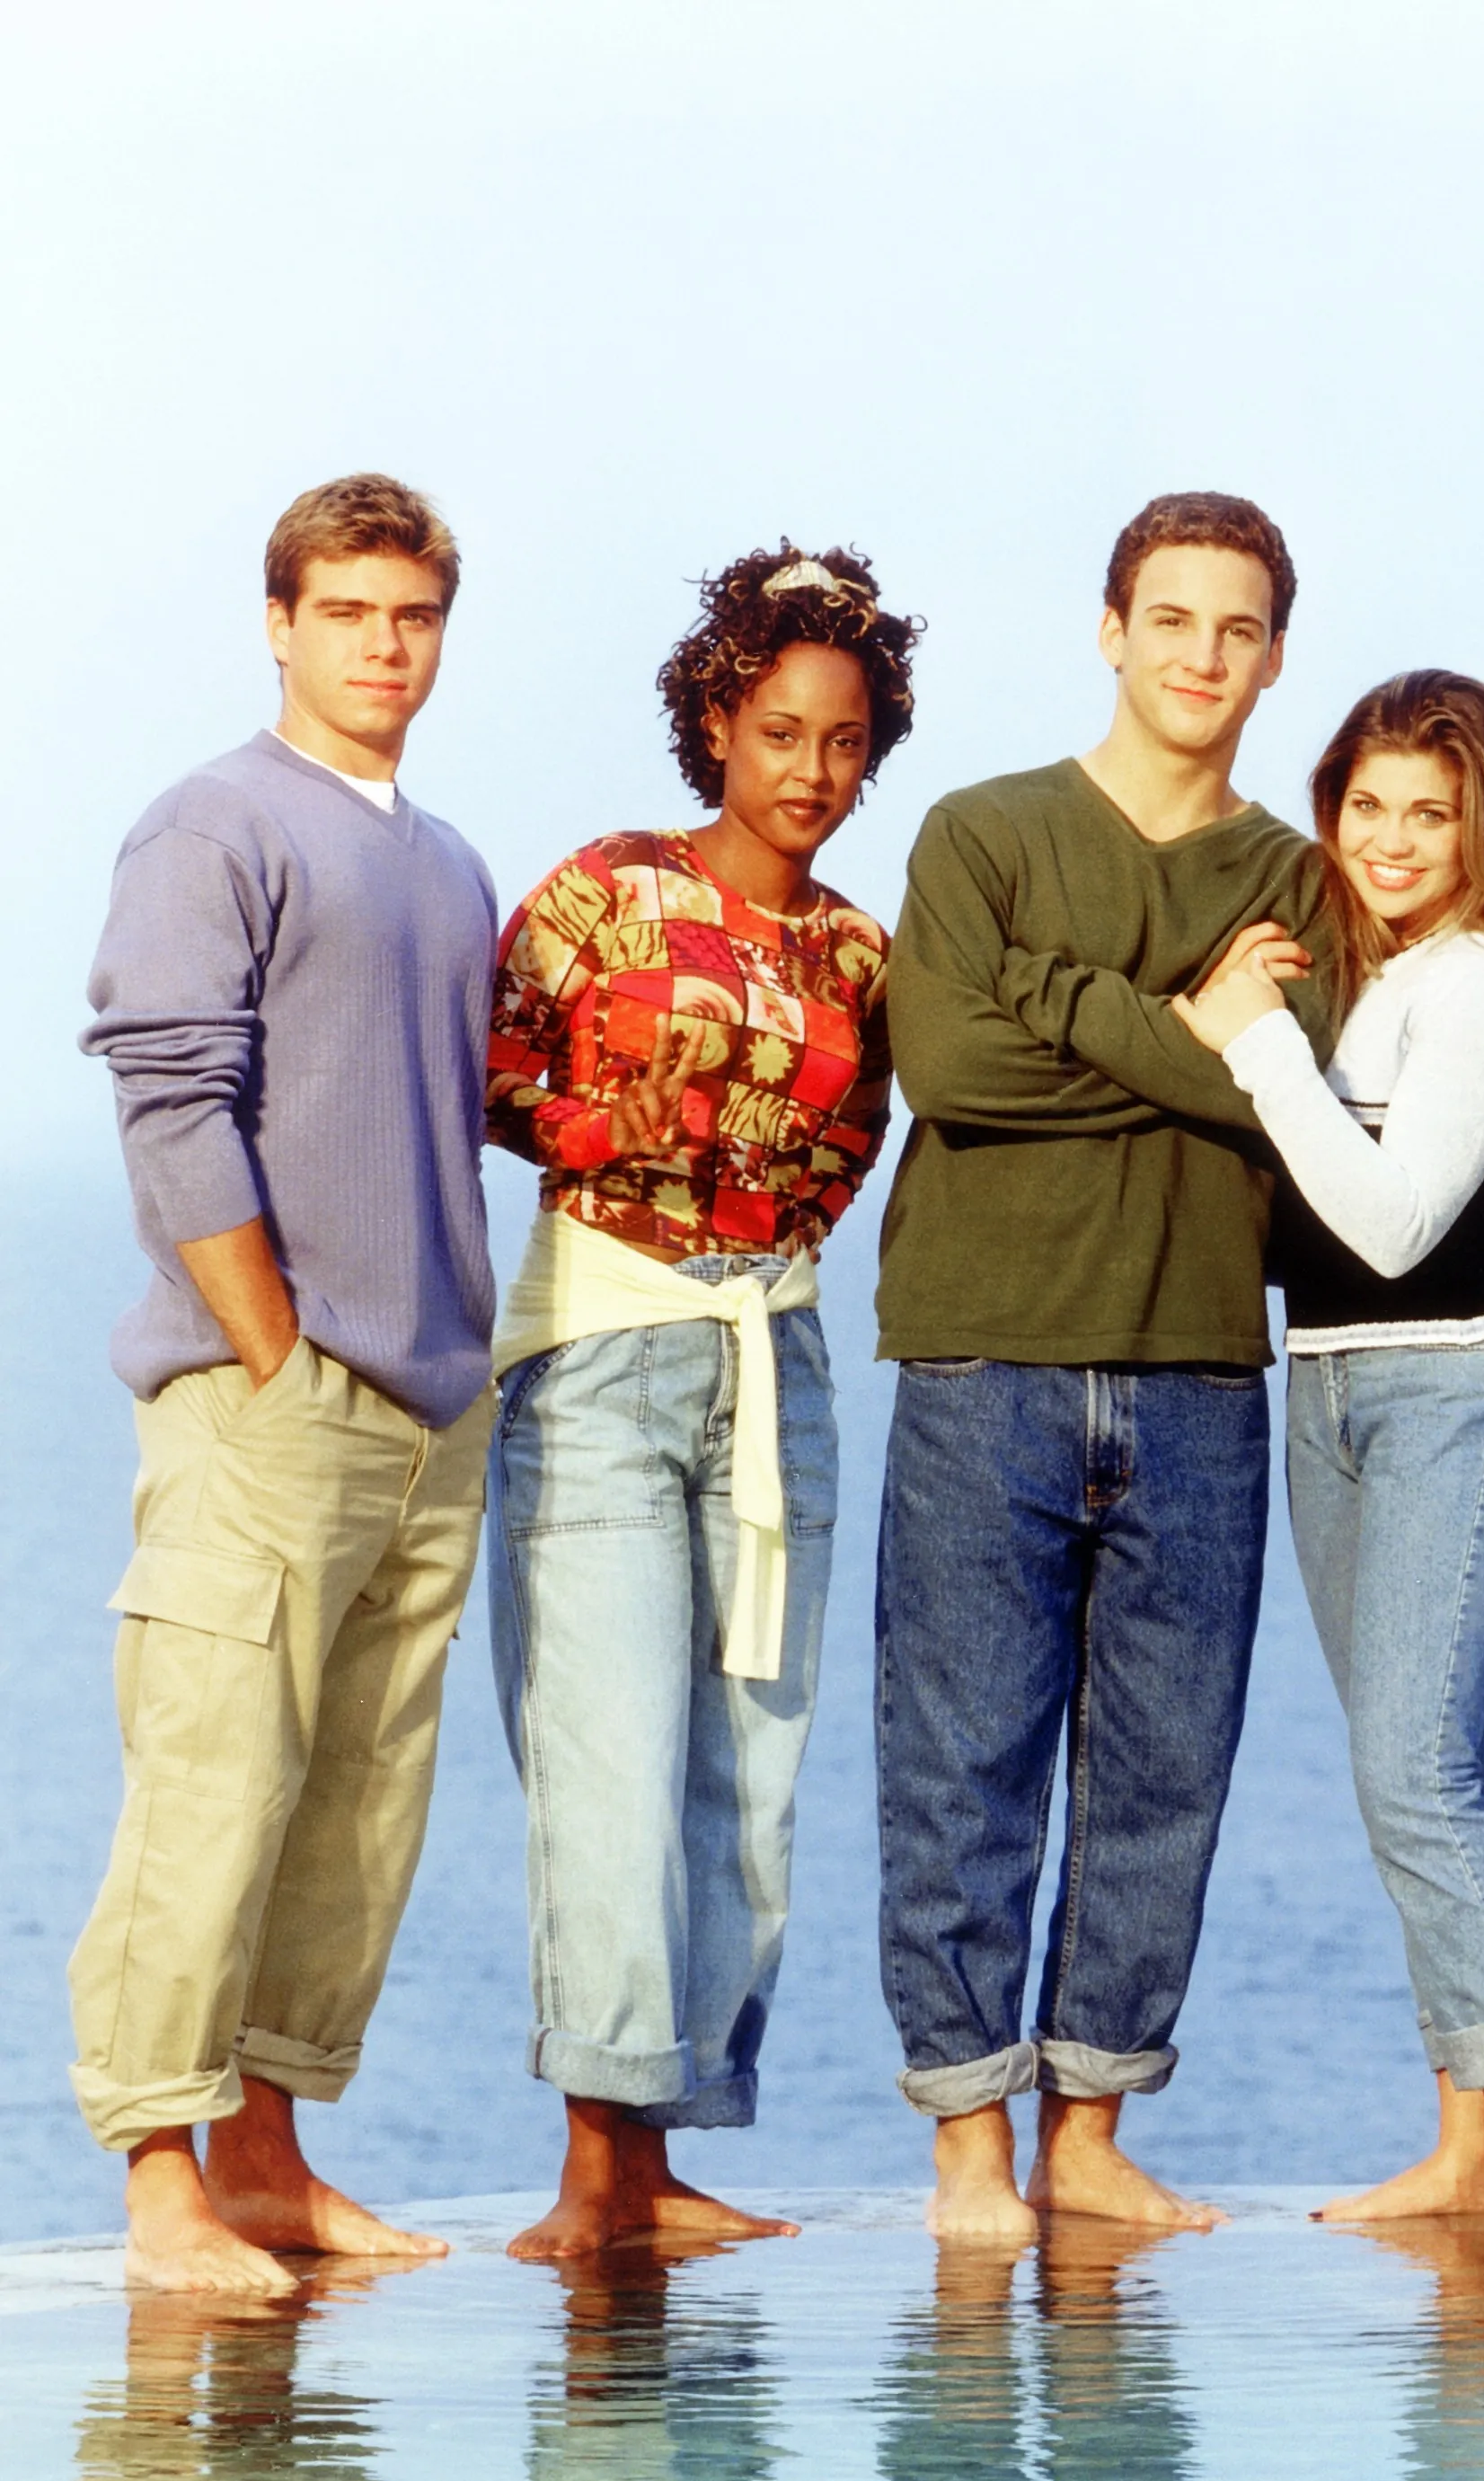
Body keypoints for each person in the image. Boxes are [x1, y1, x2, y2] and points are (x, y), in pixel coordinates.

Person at [874, 491, 1334, 2240]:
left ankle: (1090, 2134)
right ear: (1108, 628)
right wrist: (1195, 1029)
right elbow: (950, 1073)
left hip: (1201, 1370)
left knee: (1161, 1774)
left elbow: (1295, 1097)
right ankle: (968, 2151)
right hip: (981, 1363)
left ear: (1274, 653)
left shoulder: (1297, 875)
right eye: (1171, 619)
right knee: (961, 1765)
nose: (1202, 656)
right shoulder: (976, 834)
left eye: (1236, 629)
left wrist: (1065, 1000)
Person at [72, 474, 498, 2295]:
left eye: (410, 616)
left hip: (426, 1416)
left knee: (353, 1814)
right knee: (213, 1786)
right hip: (269, 1403)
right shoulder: (212, 825)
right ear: (281, 621)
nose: (383, 647)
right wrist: (266, 1347)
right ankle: (162, 2182)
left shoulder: (450, 859)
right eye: (348, 612)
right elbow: (172, 1096)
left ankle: (265, 2160)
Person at [482, 545, 914, 2259]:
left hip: (775, 1358)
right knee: (604, 1750)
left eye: (847, 739)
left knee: (750, 1762)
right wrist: (615, 1128)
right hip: (600, 1349)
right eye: (781, 728)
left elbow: (843, 1160)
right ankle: (593, 2170)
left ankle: (663, 2154)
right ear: (715, 720)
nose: (813, 769)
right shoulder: (604, 890)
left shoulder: (866, 957)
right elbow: (494, 1079)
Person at [1173, 670, 1484, 2240]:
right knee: (1403, 1783)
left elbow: (1386, 1221)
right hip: (1340, 1389)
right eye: (1367, 805)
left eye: (1430, 810)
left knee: (1417, 1769)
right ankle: (1463, 2136)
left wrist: (1250, 1045)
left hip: (1461, 1387)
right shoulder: (1388, 979)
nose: (1391, 837)